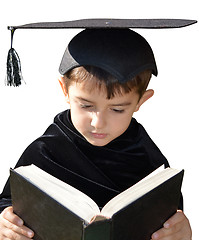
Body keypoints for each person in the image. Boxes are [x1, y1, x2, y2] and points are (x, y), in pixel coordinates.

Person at [0, 26, 192, 239]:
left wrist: (180, 233)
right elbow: (9, 205)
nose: (99, 123)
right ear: (65, 90)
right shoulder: (44, 152)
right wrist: (6, 224)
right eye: (86, 106)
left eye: (117, 109)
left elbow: (168, 220)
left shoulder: (150, 162)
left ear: (141, 101)